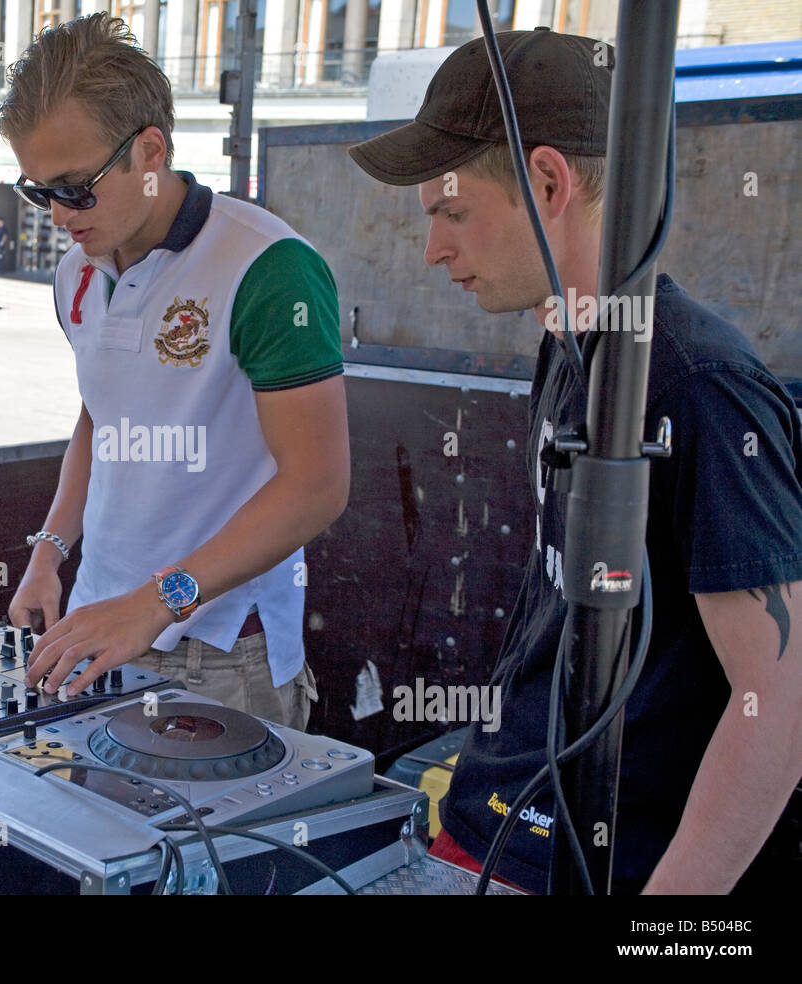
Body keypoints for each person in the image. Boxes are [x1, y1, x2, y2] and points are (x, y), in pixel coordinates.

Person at [348, 28, 802, 894]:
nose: (434, 250)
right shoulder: (568, 343)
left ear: (548, 182)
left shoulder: (698, 383)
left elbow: (779, 697)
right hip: (501, 820)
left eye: (451, 213)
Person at [0, 13, 349, 730]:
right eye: (39, 193)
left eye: (76, 187)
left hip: (220, 655)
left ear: (149, 151)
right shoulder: (75, 275)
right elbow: (101, 422)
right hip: (95, 629)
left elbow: (316, 486)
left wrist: (155, 603)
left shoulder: (268, 269)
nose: (59, 216)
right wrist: (49, 553)